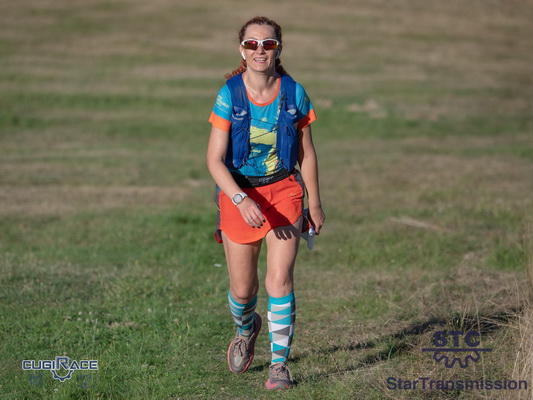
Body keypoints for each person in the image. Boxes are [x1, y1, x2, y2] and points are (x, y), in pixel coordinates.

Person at [206, 16, 325, 390]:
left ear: (278, 49)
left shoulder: (294, 93)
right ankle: (246, 328)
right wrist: (240, 199)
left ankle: (279, 366)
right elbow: (214, 160)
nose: (260, 50)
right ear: (242, 50)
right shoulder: (229, 94)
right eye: (252, 44)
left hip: (284, 191)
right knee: (243, 291)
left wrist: (315, 203)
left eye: (268, 44)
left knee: (280, 279)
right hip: (239, 193)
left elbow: (306, 153)